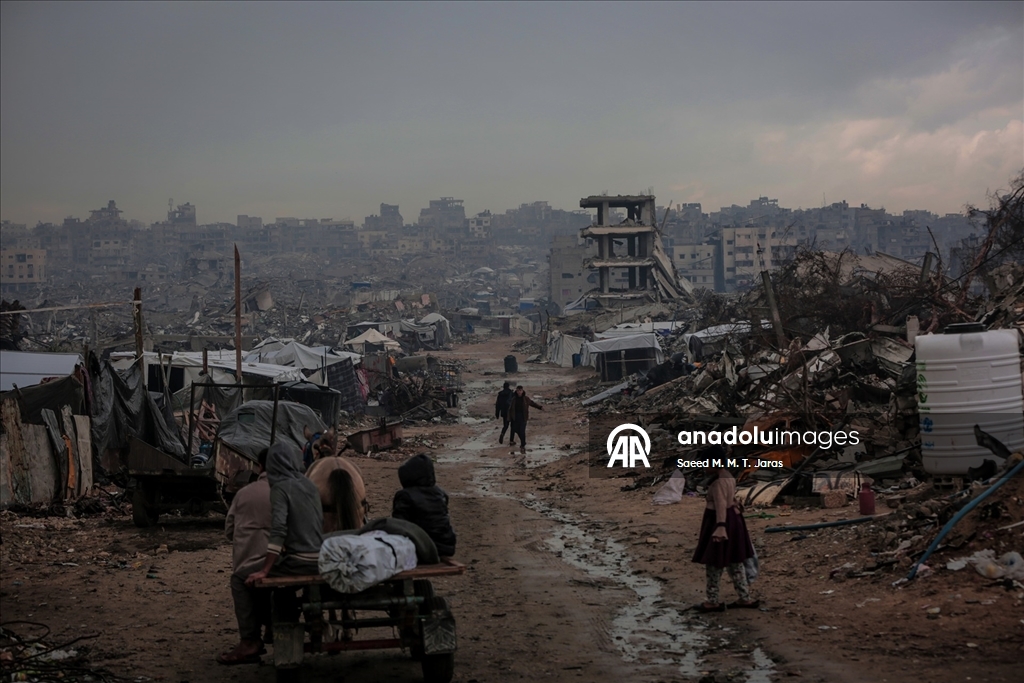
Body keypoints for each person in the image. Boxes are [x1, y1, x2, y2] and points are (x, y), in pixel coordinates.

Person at [218, 449, 272, 665]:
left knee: (239, 580)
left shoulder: (244, 494)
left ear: (260, 466)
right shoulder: (294, 491)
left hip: (257, 566)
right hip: (294, 563)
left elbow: (229, 531)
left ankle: (250, 640)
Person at [245, 443, 324, 585]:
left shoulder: (280, 488)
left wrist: (265, 570)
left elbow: (279, 529)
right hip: (321, 558)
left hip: (299, 561)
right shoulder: (309, 484)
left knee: (240, 576)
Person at [691, 451, 758, 612]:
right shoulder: (728, 476)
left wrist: (720, 527)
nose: (703, 467)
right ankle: (744, 598)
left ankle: (712, 601)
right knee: (736, 562)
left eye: (705, 463)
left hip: (720, 521)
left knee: (714, 562)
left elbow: (721, 504)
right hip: (734, 521)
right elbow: (731, 499)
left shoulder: (718, 482)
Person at [392, 453, 456, 557]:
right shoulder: (441, 493)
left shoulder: (405, 495)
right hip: (446, 546)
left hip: (422, 548)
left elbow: (399, 525)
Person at [507, 385, 542, 455]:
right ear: (516, 391)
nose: (519, 392)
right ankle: (523, 442)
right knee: (515, 430)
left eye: (520, 390)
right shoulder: (514, 399)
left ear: (522, 391)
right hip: (515, 418)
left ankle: (523, 444)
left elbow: (532, 403)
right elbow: (510, 409)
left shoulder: (526, 399)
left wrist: (540, 407)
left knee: (522, 431)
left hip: (523, 418)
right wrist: (509, 418)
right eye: (518, 391)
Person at [494, 381, 515, 445]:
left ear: (503, 387)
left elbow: (497, 405)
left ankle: (502, 434)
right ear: (508, 386)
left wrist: (497, 413)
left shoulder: (500, 394)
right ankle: (511, 440)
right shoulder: (511, 393)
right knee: (513, 426)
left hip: (504, 412)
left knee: (505, 425)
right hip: (511, 412)